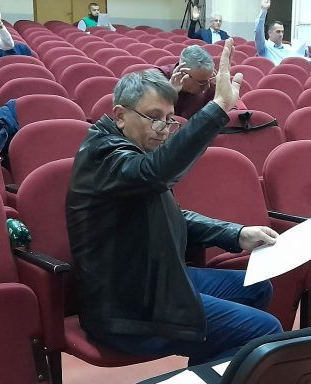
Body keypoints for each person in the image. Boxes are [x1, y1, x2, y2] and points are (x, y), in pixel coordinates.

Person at [67, 40, 283, 365]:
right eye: (154, 118)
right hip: (127, 308)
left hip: (158, 282)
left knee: (257, 287)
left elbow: (171, 215)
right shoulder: (104, 156)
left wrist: (236, 234)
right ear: (120, 116)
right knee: (265, 329)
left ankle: (205, 377)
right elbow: (157, 173)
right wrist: (219, 106)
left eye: (169, 119)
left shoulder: (134, 151)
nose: (164, 130)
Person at [158, 45, 216, 119]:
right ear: (183, 74)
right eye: (202, 82)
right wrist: (169, 94)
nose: (208, 86)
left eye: (209, 79)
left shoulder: (210, 83)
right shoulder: (159, 78)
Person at [254, 0, 309, 64]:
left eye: (282, 32)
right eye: (278, 31)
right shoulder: (264, 47)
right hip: (272, 70)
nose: (281, 34)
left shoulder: (288, 48)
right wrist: (264, 10)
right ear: (269, 33)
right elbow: (258, 31)